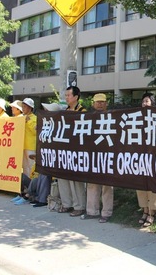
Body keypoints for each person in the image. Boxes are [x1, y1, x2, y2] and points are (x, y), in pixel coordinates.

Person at [81, 93, 114, 223]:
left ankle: (106, 212)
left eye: (102, 102)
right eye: (97, 102)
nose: (100, 104)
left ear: (106, 103)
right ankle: (92, 211)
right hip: (92, 155)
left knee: (107, 185)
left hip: (108, 155)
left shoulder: (112, 116)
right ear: (93, 104)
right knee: (92, 184)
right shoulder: (88, 118)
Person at [57, 86, 87, 217]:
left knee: (76, 180)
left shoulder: (83, 111)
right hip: (64, 150)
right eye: (66, 95)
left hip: (76, 150)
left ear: (76, 97)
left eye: (69, 95)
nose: (66, 97)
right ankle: (66, 204)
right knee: (63, 178)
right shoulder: (64, 111)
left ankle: (79, 206)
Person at [137, 93, 156, 227]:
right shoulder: (137, 118)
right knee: (141, 184)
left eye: (147, 101)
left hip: (153, 157)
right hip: (140, 157)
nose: (144, 104)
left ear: (152, 103)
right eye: (143, 101)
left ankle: (152, 212)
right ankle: (144, 210)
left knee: (153, 185)